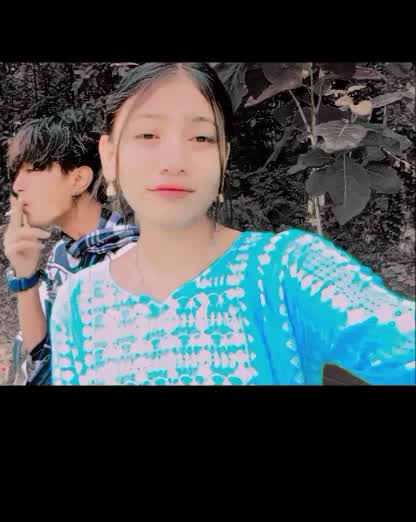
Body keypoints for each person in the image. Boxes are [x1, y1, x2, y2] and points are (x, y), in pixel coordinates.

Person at [49, 63, 416, 386]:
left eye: (201, 137)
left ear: (223, 157)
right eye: (147, 135)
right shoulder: (78, 301)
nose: (173, 161)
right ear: (109, 155)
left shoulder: (285, 272)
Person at [4, 108, 140, 385]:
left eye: (33, 169)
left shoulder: (129, 261)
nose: (18, 185)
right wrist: (25, 274)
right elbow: (42, 353)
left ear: (78, 180)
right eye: (16, 173)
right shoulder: (63, 254)